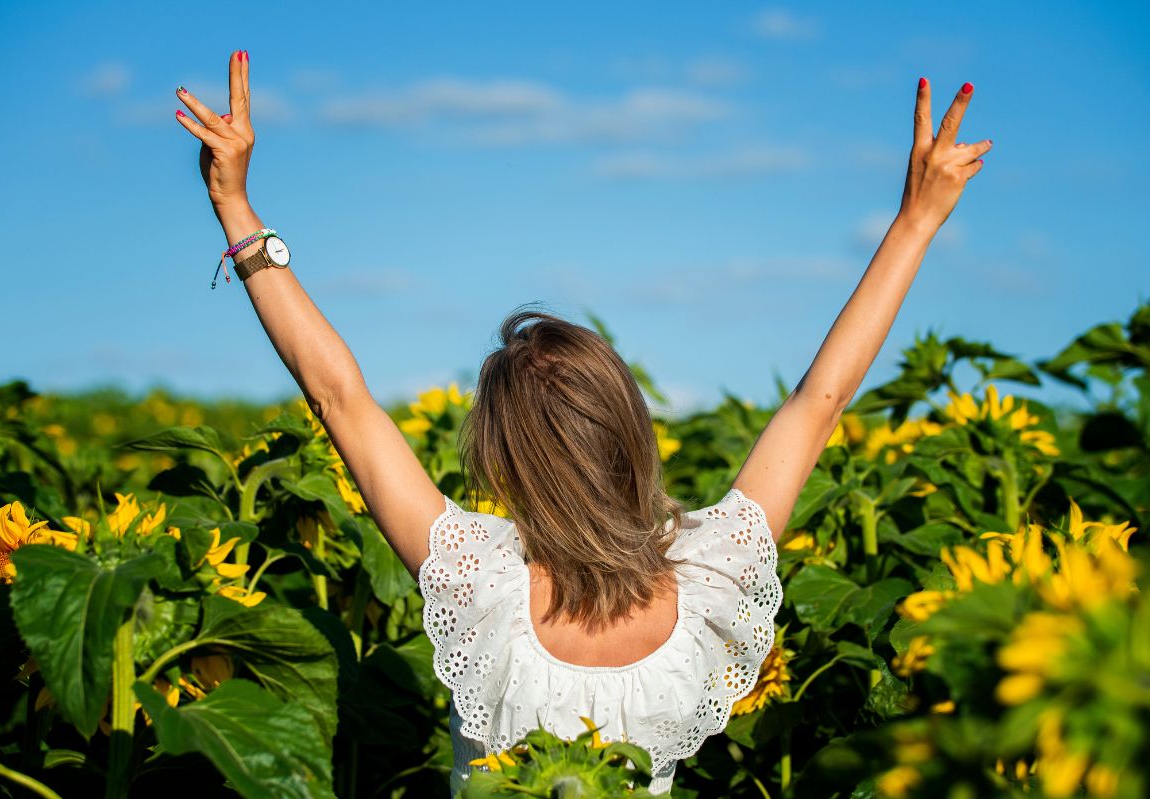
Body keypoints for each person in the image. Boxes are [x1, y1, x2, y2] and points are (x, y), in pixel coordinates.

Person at [173, 51, 990, 795]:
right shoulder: (710, 576)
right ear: (632, 430)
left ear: (502, 463)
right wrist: (916, 221)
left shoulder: (477, 580)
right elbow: (819, 402)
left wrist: (236, 206)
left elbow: (339, 397)